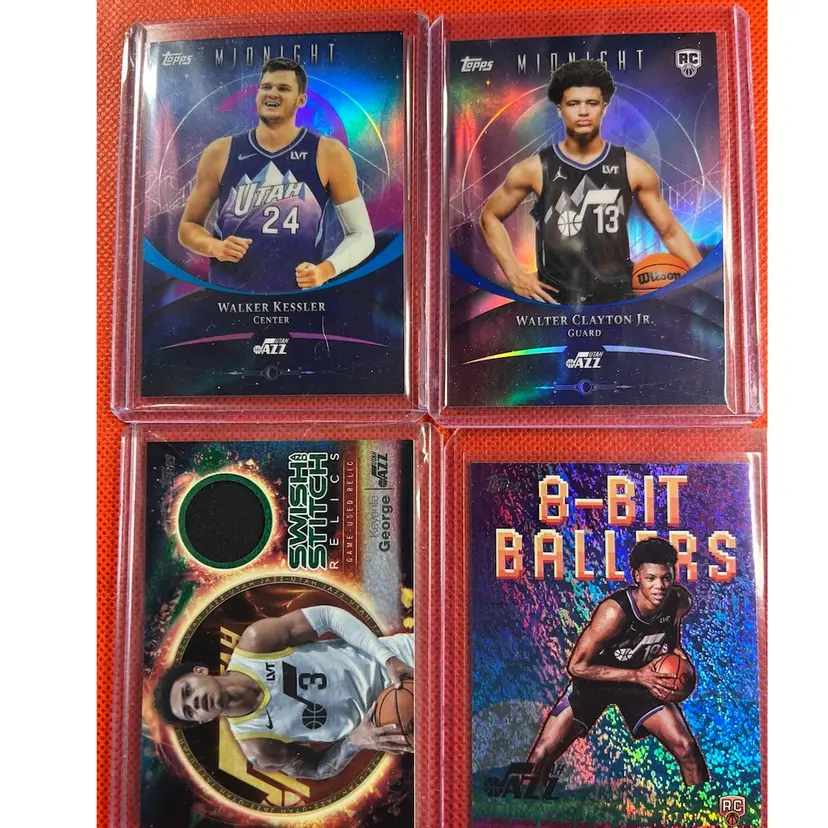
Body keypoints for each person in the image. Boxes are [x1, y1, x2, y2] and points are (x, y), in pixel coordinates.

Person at [480, 59, 702, 305]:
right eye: (573, 104)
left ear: (604, 108)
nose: (583, 111)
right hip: (554, 303)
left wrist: (703, 285)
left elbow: (670, 231)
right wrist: (514, 274)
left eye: (592, 103)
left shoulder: (633, 168)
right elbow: (490, 216)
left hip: (619, 300)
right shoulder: (533, 169)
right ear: (559, 109)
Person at [178, 57, 375, 293]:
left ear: (301, 100)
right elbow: (188, 226)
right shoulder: (220, 151)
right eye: (266, 87)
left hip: (298, 302)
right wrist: (214, 247)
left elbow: (362, 235)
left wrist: (326, 270)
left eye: (283, 88)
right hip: (229, 301)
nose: (272, 93)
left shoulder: (328, 153)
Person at [154, 604, 414, 780]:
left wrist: (387, 658)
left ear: (200, 671)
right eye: (189, 711)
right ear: (202, 720)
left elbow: (328, 617)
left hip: (404, 658)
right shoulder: (258, 746)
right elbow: (316, 769)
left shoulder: (256, 644)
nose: (195, 702)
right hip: (400, 720)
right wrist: (354, 742)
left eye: (188, 690)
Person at [528, 537, 709, 786]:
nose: (660, 586)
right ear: (637, 576)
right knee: (542, 755)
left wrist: (675, 648)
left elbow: (671, 628)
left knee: (687, 750)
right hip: (597, 680)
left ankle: (701, 805)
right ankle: (519, 805)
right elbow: (577, 667)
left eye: (666, 578)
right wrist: (637, 675)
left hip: (643, 680)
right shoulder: (614, 613)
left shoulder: (680, 602)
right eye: (651, 578)